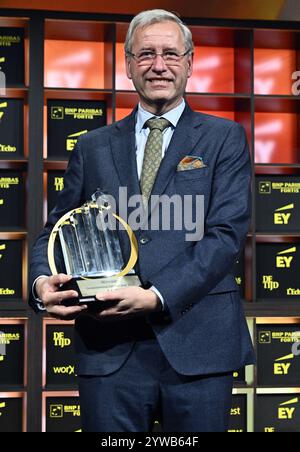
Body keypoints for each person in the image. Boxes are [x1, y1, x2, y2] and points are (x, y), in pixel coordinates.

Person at [29, 9, 255, 432]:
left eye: (171, 53)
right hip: (109, 351)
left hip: (198, 345)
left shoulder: (225, 137)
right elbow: (56, 230)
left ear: (190, 62)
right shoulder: (92, 146)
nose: (159, 65)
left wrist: (158, 296)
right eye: (146, 54)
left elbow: (226, 236)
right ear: (128, 64)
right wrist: (42, 283)